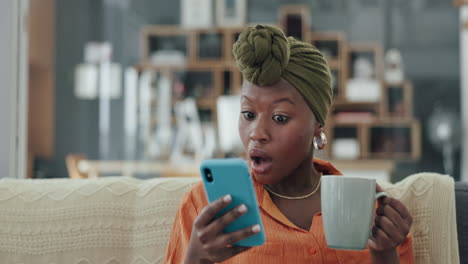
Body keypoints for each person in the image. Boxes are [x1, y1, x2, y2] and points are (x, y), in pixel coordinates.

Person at [164, 25, 414, 264]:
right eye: (248, 114)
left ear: (317, 124)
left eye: (280, 117)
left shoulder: (372, 212)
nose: (257, 133)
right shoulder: (203, 205)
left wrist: (385, 253)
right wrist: (196, 259)